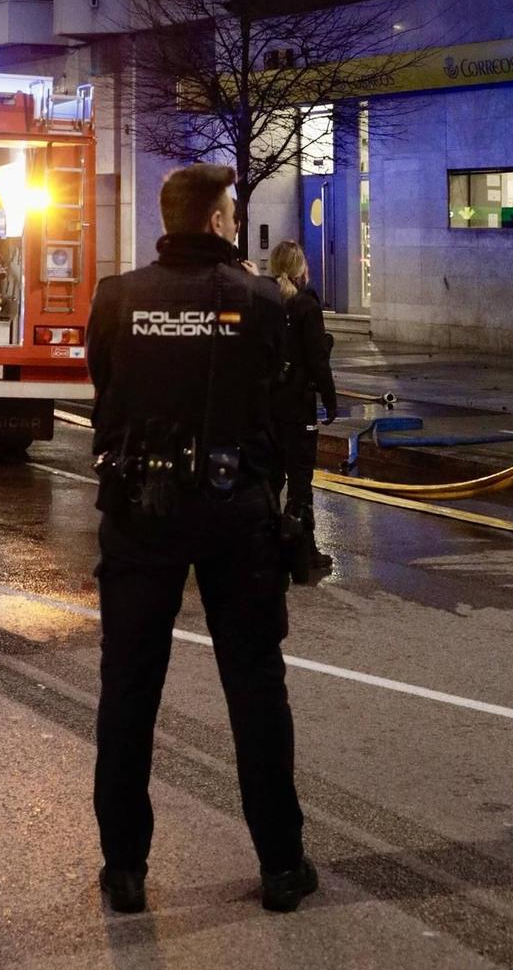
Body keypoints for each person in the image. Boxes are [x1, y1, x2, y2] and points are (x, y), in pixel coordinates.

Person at [87, 163, 315, 919]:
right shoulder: (258, 299)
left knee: (128, 687)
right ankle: (281, 866)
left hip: (139, 510)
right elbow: (283, 407)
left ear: (168, 219)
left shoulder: (117, 298)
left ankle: (124, 869)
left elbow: (103, 384)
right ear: (218, 221)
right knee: (254, 686)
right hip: (234, 511)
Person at [268, 241, 338, 575]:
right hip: (297, 406)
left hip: (268, 406)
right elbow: (316, 359)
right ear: (301, 268)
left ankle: (264, 546)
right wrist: (330, 398)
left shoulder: (264, 302)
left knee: (270, 479)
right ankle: (303, 552)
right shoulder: (306, 306)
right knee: (300, 480)